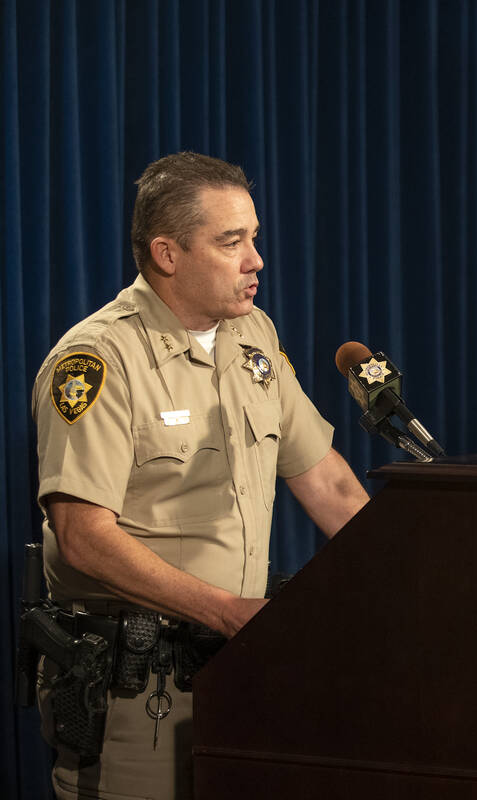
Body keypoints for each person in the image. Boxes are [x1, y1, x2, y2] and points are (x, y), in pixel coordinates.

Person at [31, 152, 371, 799]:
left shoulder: (254, 339)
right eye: (231, 242)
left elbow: (328, 485)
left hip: (240, 672)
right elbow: (82, 535)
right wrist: (228, 613)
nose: (256, 261)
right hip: (138, 690)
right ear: (167, 253)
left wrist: (418, 580)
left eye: (254, 239)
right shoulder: (98, 360)